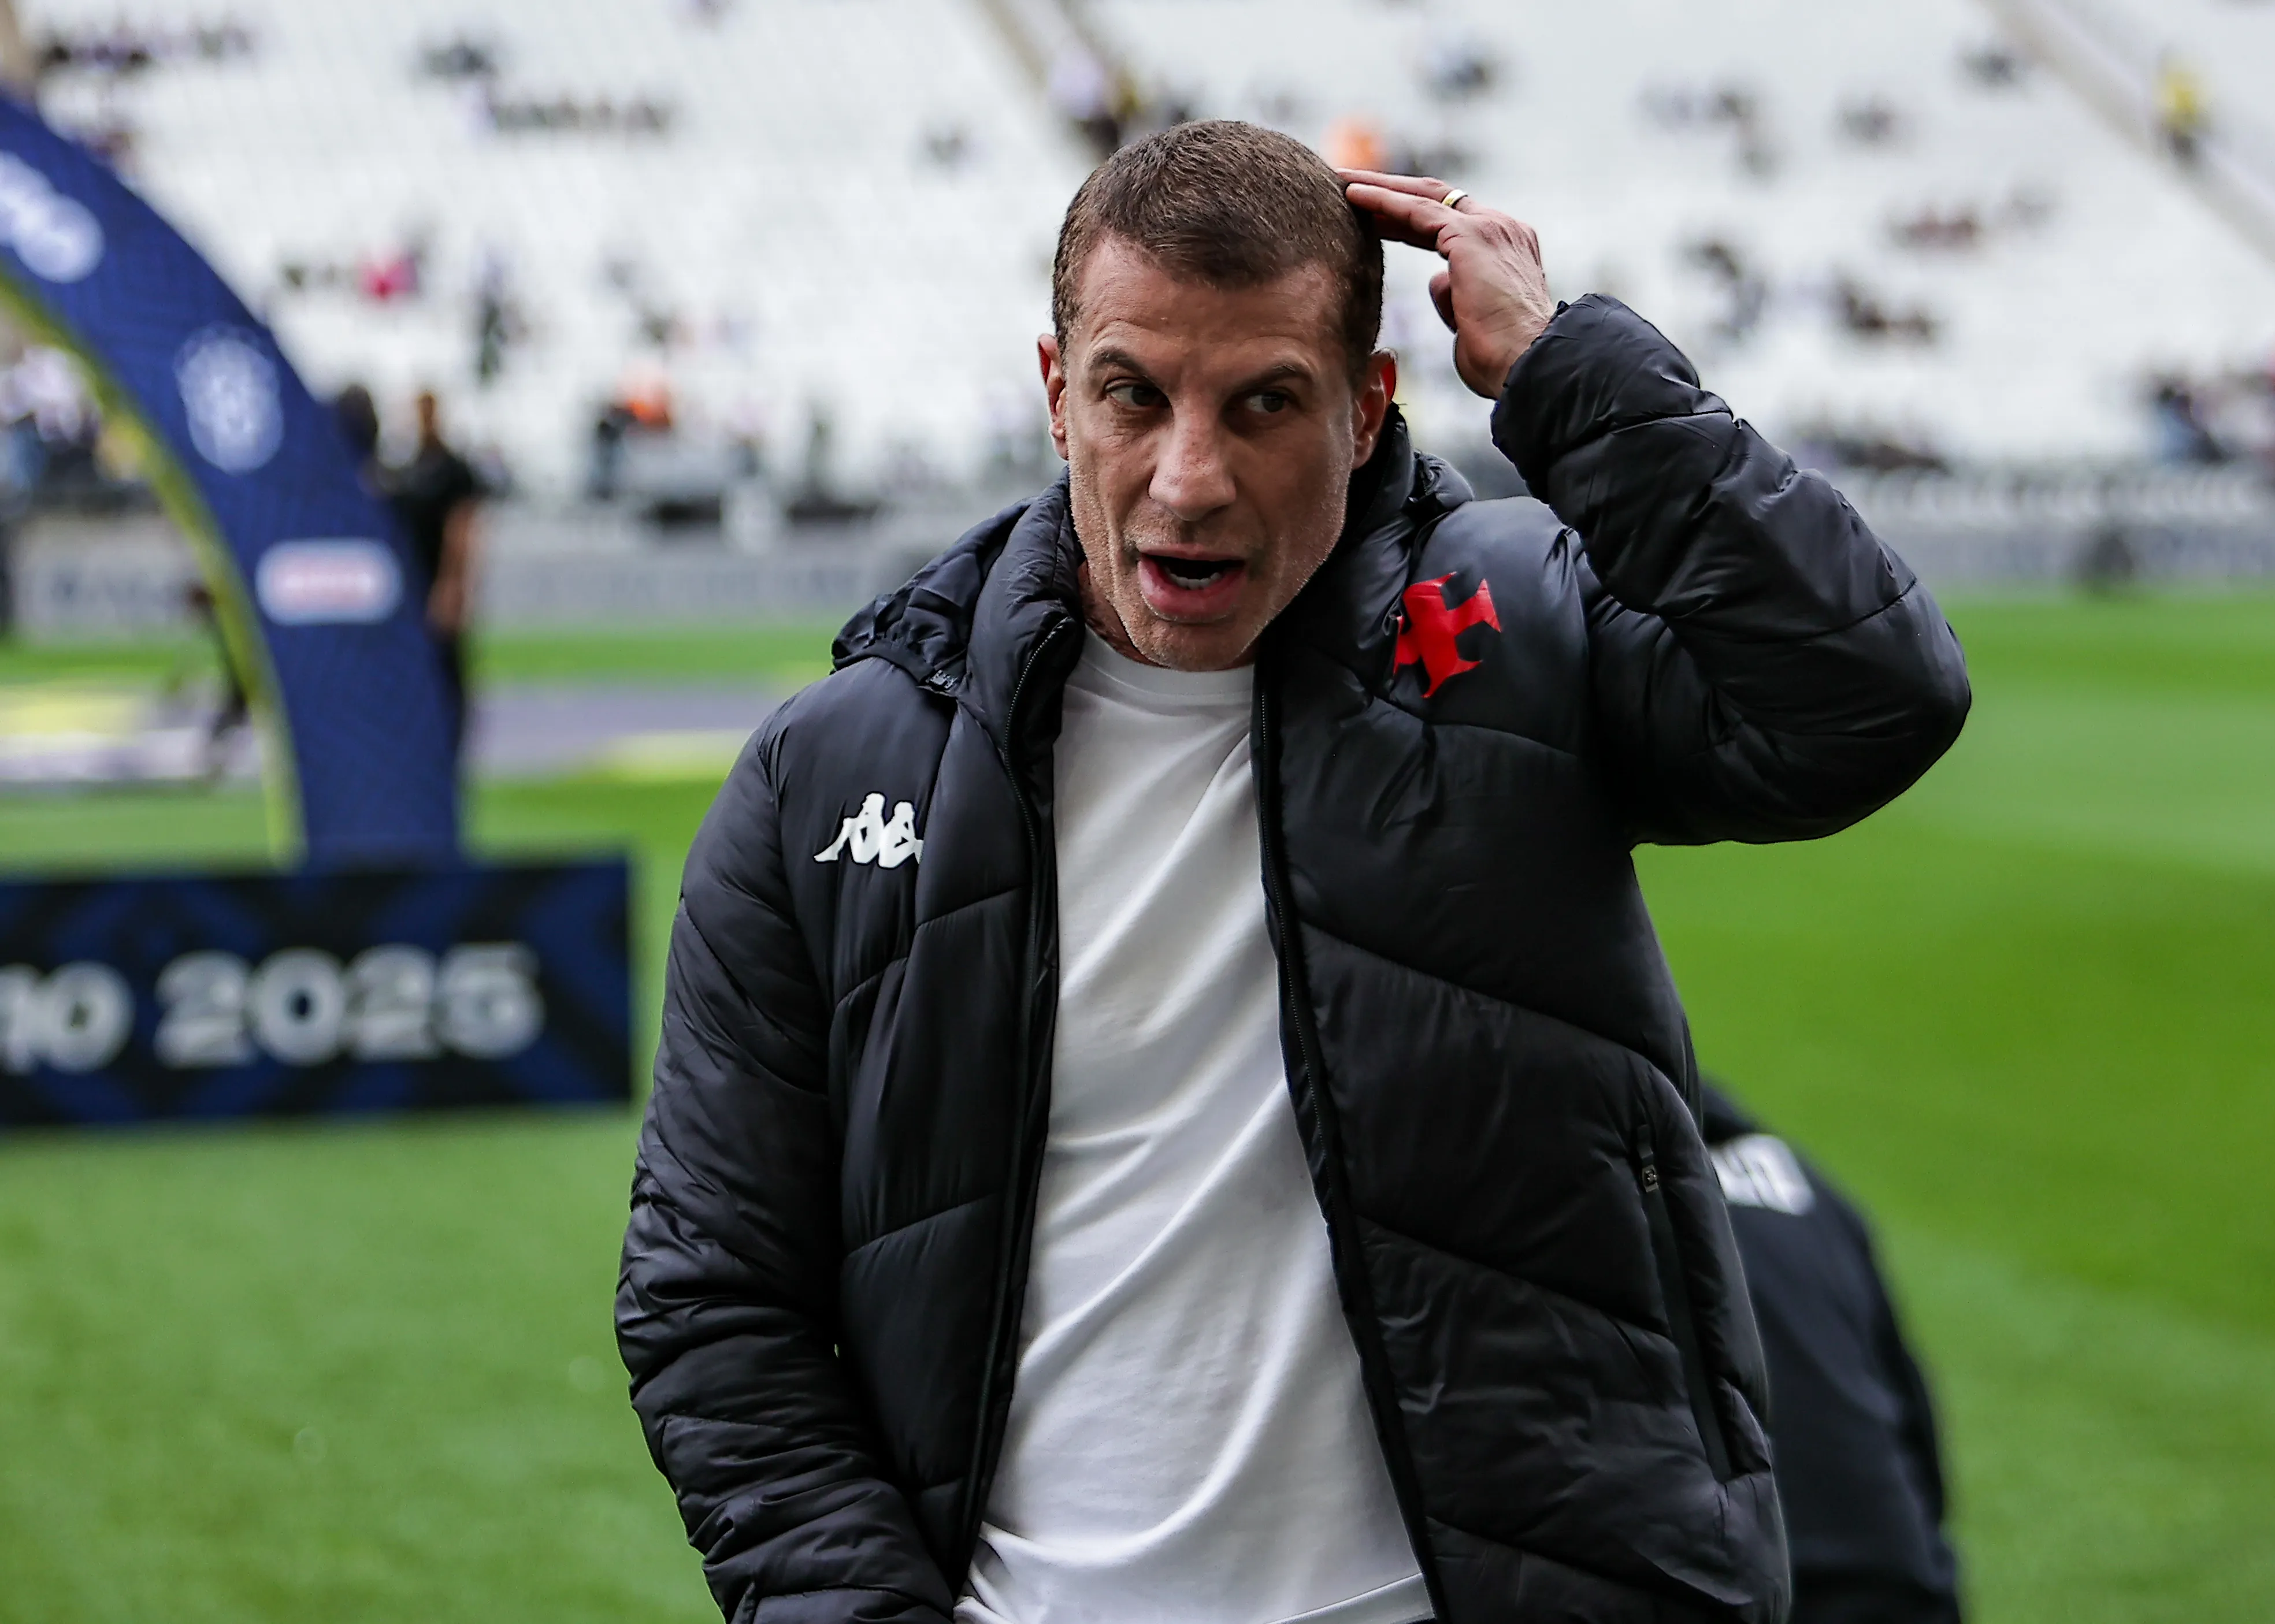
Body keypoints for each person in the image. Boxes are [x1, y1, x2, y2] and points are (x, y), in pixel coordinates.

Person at [617, 120, 1971, 1624]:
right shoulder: (833, 774)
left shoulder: (1518, 637)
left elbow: (1870, 696)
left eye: (1265, 403)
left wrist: (1567, 368)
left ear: (1366, 406)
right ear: (1057, 394)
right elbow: (712, 1299)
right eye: (1135, 395)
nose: (1190, 478)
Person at [1699, 1087, 1964, 1624]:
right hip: (1901, 1588)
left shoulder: (1583, 1193)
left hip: (1748, 1594)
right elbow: (1921, 1450)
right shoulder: (1810, 1188)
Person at [389, 389, 484, 756]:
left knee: (447, 667)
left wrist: (453, 584)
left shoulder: (454, 470)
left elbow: (463, 529)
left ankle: (453, 744)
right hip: (412, 584)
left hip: (438, 582)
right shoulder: (408, 469)